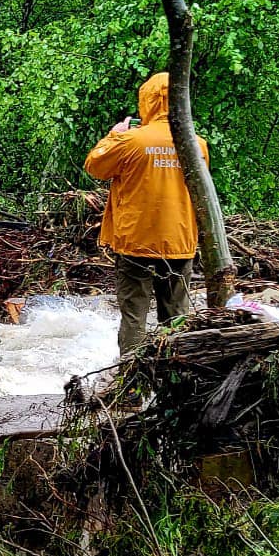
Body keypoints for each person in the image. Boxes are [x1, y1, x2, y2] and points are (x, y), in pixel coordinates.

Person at [84, 72, 206, 354]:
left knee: (134, 316)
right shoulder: (197, 144)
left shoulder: (131, 141)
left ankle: (130, 379)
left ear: (148, 101)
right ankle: (175, 376)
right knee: (176, 317)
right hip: (180, 242)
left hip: (136, 242)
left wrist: (114, 136)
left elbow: (95, 166)